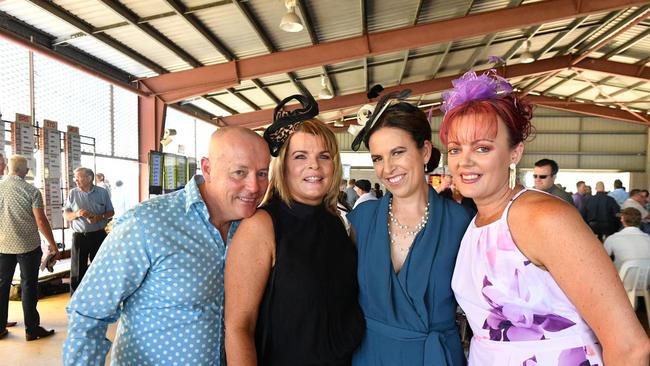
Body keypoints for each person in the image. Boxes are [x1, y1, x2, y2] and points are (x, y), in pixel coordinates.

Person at [439, 68, 650, 365]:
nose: (465, 161)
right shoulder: (476, 223)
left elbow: (630, 346)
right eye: (454, 149)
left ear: (515, 153)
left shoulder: (543, 217)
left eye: (482, 148)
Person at [64, 127, 270, 366]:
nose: (254, 187)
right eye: (239, 173)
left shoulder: (251, 229)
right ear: (207, 168)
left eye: (262, 173)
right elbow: (89, 314)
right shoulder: (148, 223)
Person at [225, 95, 364, 366]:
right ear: (284, 165)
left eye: (323, 156)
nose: (314, 165)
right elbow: (239, 327)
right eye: (300, 156)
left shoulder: (336, 221)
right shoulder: (262, 225)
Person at [347, 90, 471, 365]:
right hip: (371, 355)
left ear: (424, 151)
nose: (387, 168)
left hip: (432, 355)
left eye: (398, 153)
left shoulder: (461, 223)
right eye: (377, 158)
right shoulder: (362, 218)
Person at [0, 155, 60, 341]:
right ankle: (32, 330)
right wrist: (52, 244)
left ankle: (0, 327)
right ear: (24, 170)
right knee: (28, 286)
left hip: (2, 246)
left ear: (9, 168)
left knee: (2, 286)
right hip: (27, 246)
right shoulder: (31, 191)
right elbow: (41, 221)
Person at [63, 167, 114, 294]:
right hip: (80, 236)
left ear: (89, 178)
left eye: (78, 177)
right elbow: (66, 215)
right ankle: (75, 299)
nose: (75, 180)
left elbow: (111, 212)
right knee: (77, 270)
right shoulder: (73, 193)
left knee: (100, 267)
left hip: (99, 235)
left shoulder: (102, 192)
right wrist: (77, 213)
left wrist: (99, 217)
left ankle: (100, 295)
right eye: (75, 178)